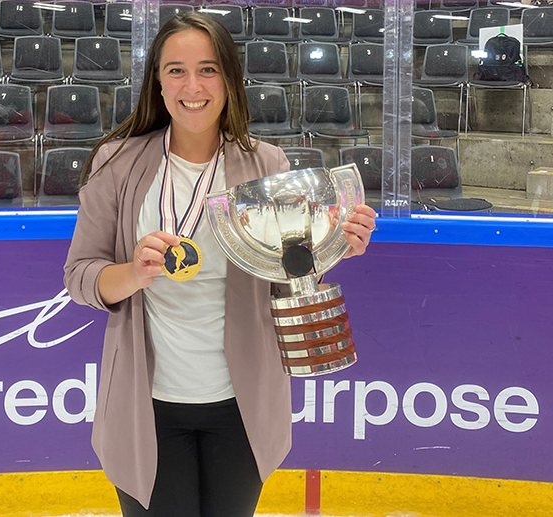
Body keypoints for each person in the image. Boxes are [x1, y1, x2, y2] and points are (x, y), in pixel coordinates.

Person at [64, 12, 376, 517]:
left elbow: (285, 277)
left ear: (229, 79)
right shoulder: (117, 162)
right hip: (147, 408)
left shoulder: (267, 165)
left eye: (208, 70)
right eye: (176, 71)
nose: (193, 86)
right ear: (157, 84)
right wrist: (134, 273)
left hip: (242, 405)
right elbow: (79, 276)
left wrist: (331, 250)